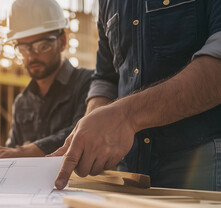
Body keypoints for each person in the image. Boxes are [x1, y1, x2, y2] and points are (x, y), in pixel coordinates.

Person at [52, 0, 221, 191]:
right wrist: (90, 130)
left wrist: (126, 116)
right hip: (130, 167)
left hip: (201, 163)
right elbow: (105, 79)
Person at [0, 0, 93, 160]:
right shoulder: (22, 102)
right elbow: (11, 154)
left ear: (62, 42)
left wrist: (23, 152)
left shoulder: (88, 84)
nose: (31, 56)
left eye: (42, 46)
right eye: (23, 49)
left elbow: (84, 133)